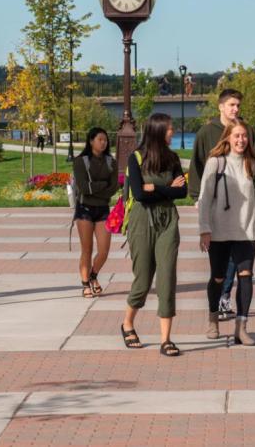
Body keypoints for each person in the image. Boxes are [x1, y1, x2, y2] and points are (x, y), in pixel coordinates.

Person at [190, 89, 255, 320]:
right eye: (231, 105)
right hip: (216, 211)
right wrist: (197, 197)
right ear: (221, 107)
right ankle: (218, 304)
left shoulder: (246, 130)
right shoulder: (207, 132)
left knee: (241, 268)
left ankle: (227, 300)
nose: (235, 109)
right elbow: (197, 164)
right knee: (220, 268)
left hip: (243, 215)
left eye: (238, 105)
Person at [198, 120, 255, 346]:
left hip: (246, 232)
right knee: (218, 277)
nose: (241, 140)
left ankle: (241, 327)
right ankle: (213, 319)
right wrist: (204, 229)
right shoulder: (216, 163)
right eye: (236, 136)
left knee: (246, 276)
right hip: (219, 232)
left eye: (244, 136)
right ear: (228, 137)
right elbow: (204, 198)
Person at [122, 113, 187, 357]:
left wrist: (158, 188)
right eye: (170, 129)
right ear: (158, 131)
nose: (173, 133)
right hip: (141, 222)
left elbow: (183, 193)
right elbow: (139, 194)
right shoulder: (135, 158)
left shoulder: (172, 159)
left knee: (167, 278)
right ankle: (128, 323)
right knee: (143, 279)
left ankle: (166, 339)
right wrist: (169, 189)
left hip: (168, 221)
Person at [71, 127, 120, 297]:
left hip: (103, 210)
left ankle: (93, 275)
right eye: (100, 139)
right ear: (91, 141)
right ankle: (85, 284)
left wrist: (96, 187)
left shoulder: (111, 162)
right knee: (87, 249)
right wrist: (102, 185)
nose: (103, 142)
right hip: (84, 209)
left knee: (104, 250)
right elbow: (84, 188)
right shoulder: (80, 161)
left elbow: (113, 188)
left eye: (105, 140)